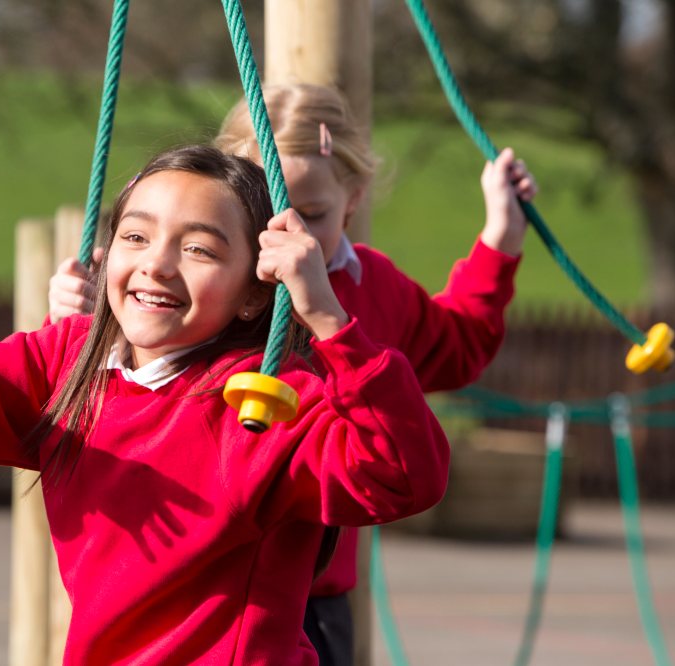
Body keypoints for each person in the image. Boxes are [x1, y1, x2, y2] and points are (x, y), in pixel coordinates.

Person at [0, 145, 451, 665]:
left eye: (200, 250)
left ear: (251, 296)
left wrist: (326, 317)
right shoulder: (71, 361)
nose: (156, 264)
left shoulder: (263, 398)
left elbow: (401, 474)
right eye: (136, 236)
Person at [47, 85, 537, 665]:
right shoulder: (197, 289)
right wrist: (85, 315)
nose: (285, 234)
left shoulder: (368, 288)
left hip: (315, 598)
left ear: (353, 199)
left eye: (311, 214)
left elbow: (457, 347)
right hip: (201, 590)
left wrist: (499, 239)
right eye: (262, 209)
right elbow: (130, 369)